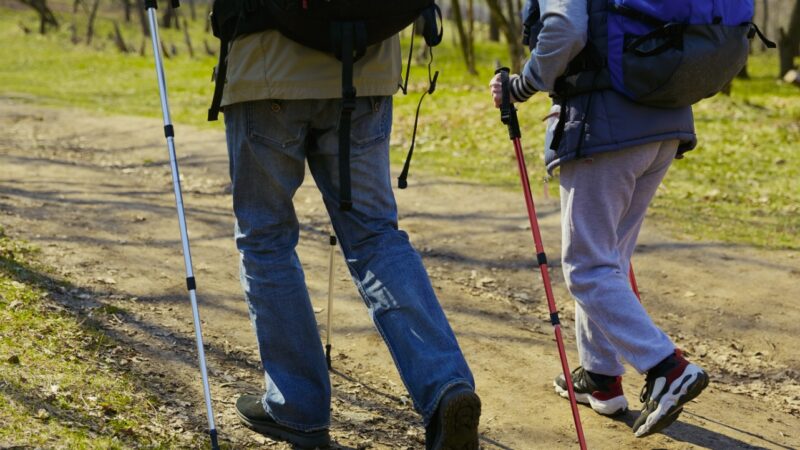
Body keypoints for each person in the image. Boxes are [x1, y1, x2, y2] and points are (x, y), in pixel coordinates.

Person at [221, 28, 481, 449]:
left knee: (266, 239)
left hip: (266, 71)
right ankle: (446, 387)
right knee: (376, 236)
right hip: (365, 69)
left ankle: (297, 408)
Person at [489, 0, 709, 438]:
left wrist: (522, 85)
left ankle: (667, 367)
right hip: (664, 121)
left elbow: (566, 29)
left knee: (587, 268)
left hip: (605, 125)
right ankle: (601, 378)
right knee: (609, 256)